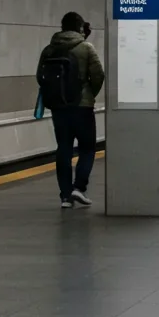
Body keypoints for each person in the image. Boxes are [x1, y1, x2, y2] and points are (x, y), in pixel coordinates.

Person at [37, 12, 106, 208]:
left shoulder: (49, 49)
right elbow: (99, 75)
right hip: (82, 107)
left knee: (64, 149)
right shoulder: (86, 48)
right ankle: (79, 187)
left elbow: (39, 76)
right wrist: (89, 93)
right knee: (87, 148)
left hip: (59, 107)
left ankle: (65, 196)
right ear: (81, 28)